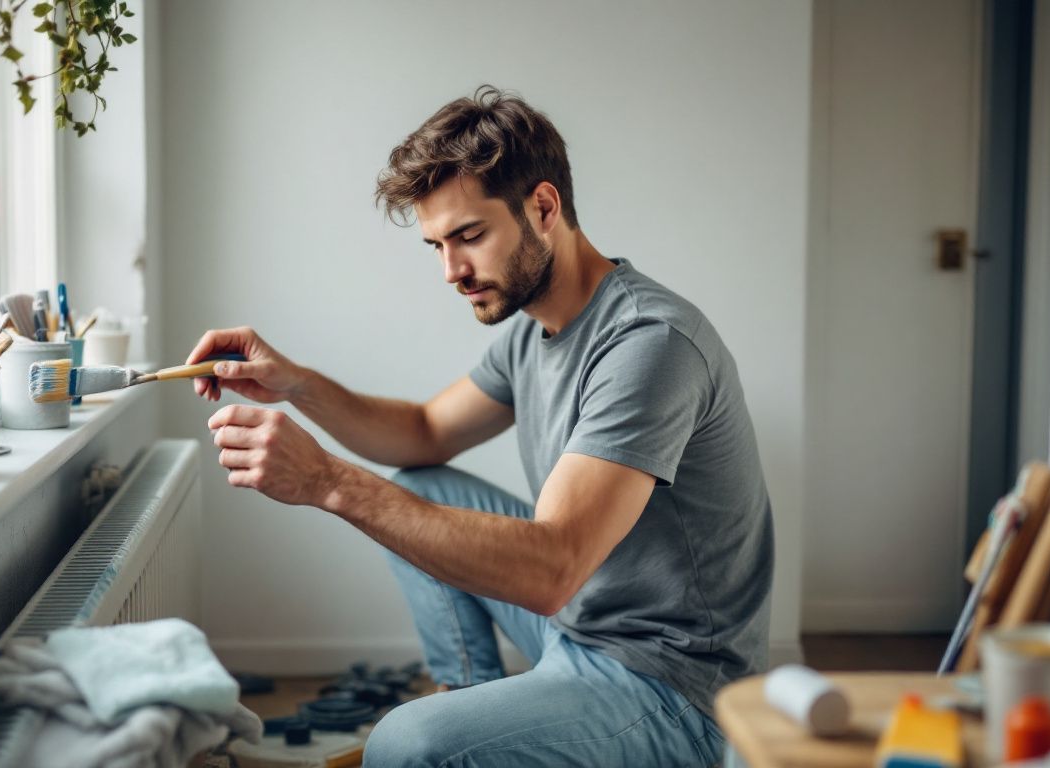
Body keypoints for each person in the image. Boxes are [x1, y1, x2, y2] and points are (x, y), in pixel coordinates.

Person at [185, 85, 772, 767]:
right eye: (436, 244)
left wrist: (325, 480)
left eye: (469, 237)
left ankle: (456, 744)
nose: (451, 271)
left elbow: (552, 568)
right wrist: (295, 384)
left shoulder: (649, 343)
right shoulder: (537, 331)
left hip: (681, 691)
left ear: (544, 208)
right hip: (583, 630)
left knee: (406, 743)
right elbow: (425, 431)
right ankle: (473, 708)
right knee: (422, 483)